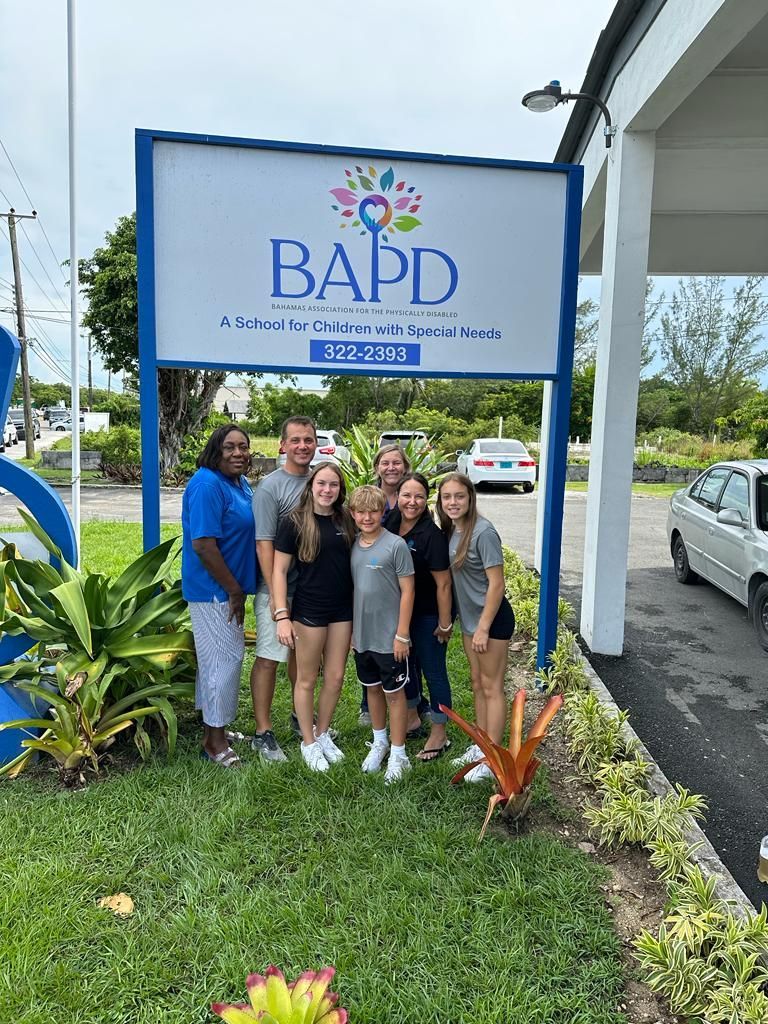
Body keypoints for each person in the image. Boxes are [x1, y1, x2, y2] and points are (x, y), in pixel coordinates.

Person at [181, 424, 258, 768]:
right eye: (230, 447)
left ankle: (216, 728)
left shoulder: (237, 483)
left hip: (228, 590)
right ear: (216, 449)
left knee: (216, 660)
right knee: (226, 661)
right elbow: (203, 544)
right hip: (214, 591)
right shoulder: (206, 484)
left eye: (244, 446)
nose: (238, 453)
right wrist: (233, 589)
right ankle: (214, 742)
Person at [272, 462, 355, 773]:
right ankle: (307, 742)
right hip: (309, 610)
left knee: (334, 678)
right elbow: (279, 571)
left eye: (333, 485)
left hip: (342, 610)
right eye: (321, 483)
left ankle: (322, 734)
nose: (326, 490)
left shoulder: (346, 519)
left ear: (339, 490)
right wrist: (282, 615)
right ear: (311, 486)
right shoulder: (293, 522)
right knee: (306, 678)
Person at [436, 472, 514, 783]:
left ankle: (493, 757)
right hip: (471, 621)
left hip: (491, 622)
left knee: (492, 686)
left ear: (470, 498)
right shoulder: (452, 530)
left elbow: (497, 585)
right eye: (447, 497)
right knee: (478, 682)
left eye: (459, 496)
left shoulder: (483, 532)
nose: (453, 502)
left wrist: (483, 628)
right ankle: (481, 744)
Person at [249, 416, 317, 762]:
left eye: (308, 440)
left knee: (302, 659)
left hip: (309, 592)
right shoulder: (270, 487)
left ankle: (299, 716)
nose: (303, 446)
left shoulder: (320, 482)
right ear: (283, 445)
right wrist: (278, 604)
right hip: (276, 591)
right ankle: (262, 732)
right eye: (296, 440)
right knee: (270, 657)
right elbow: (264, 546)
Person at [385, 473, 454, 760]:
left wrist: (445, 621)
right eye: (406, 495)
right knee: (406, 667)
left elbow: (444, 583)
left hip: (427, 614)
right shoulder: (389, 523)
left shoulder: (431, 535)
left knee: (434, 670)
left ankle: (440, 732)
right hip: (398, 613)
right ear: (397, 495)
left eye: (418, 496)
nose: (411, 502)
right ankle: (412, 717)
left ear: (426, 500)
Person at [349, 485, 415, 784]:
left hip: (390, 638)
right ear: (352, 514)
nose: (367, 517)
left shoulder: (395, 545)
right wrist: (351, 632)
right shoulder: (352, 545)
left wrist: (401, 634)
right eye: (360, 512)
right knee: (372, 689)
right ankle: (380, 741)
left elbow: (408, 591)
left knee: (394, 694)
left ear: (383, 512)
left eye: (373, 511)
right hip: (363, 636)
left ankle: (400, 754)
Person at [374, 443, 412, 520]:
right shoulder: (367, 497)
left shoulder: (413, 499)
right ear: (377, 468)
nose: (391, 468)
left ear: (405, 467)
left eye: (397, 463)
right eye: (385, 463)